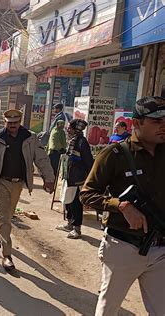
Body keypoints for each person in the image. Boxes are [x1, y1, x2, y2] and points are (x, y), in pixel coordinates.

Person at [80, 96, 165, 316]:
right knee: (108, 309)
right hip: (123, 246)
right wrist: (121, 205)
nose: (163, 125)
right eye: (156, 121)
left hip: (160, 248)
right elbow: (87, 194)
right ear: (136, 123)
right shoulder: (114, 154)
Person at [0, 109, 55, 271]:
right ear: (4, 122)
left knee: (7, 214)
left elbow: (41, 158)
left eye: (15, 123)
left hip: (18, 183)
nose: (12, 126)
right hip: (2, 182)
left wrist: (49, 178)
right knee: (6, 218)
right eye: (9, 123)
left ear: (20, 122)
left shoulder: (30, 138)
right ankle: (7, 255)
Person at [56, 119, 94, 239]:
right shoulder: (72, 141)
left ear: (75, 129)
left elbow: (88, 161)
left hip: (78, 178)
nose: (68, 130)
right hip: (70, 176)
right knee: (68, 201)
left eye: (70, 128)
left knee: (76, 203)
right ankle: (69, 224)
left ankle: (77, 228)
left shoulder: (82, 142)